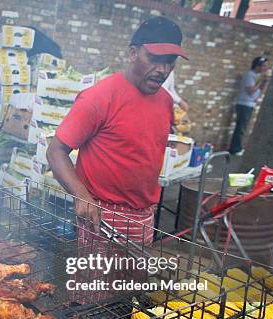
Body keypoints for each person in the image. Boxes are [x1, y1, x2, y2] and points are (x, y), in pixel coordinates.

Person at [46, 17, 187, 302]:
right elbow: (55, 151)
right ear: (133, 53)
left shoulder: (165, 101)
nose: (162, 69)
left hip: (145, 213)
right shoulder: (100, 97)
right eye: (154, 58)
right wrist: (82, 196)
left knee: (129, 289)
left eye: (170, 61)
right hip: (103, 213)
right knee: (93, 294)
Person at [228, 56, 270, 156]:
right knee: (241, 128)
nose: (265, 68)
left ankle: (236, 148)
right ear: (257, 66)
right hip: (244, 105)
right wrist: (261, 81)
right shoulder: (249, 75)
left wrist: (265, 82)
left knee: (243, 127)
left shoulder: (256, 76)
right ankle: (235, 149)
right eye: (263, 66)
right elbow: (251, 91)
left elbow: (259, 93)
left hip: (250, 104)